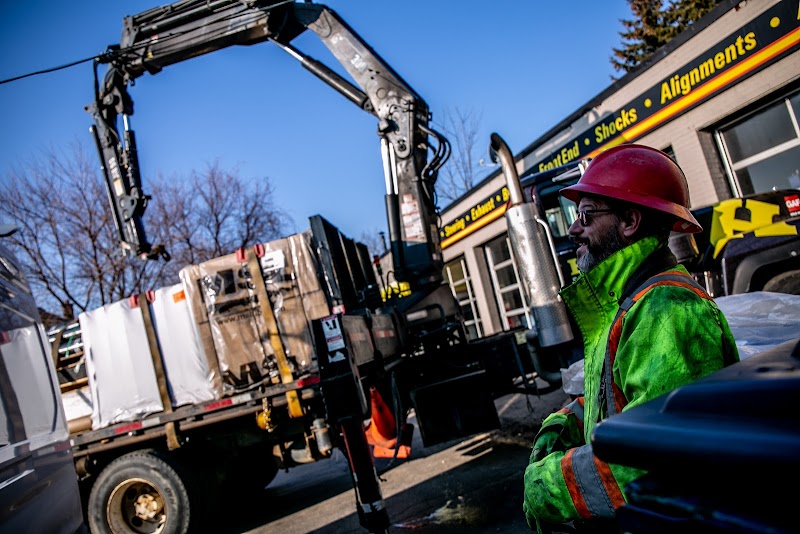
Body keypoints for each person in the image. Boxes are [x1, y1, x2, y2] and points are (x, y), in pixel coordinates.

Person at [522, 144, 739, 533]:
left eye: (586, 215)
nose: (574, 229)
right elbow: (617, 391)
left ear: (629, 221)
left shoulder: (665, 311)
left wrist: (550, 485)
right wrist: (567, 418)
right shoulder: (631, 302)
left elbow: (658, 456)